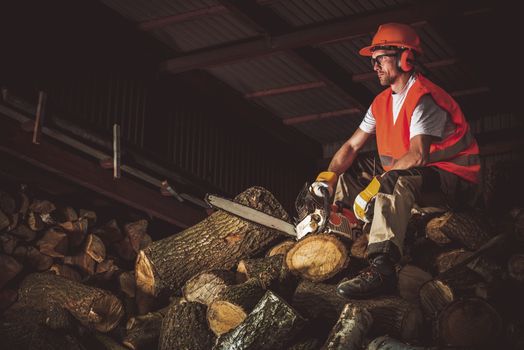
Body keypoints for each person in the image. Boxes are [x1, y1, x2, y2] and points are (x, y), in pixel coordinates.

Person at [312, 23, 480, 299]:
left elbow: (418, 155)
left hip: (454, 183)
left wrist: (374, 188)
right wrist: (327, 178)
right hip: (415, 176)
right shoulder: (381, 102)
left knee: (393, 180)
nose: (374, 66)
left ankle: (382, 267)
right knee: (352, 169)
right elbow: (352, 146)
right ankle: (342, 226)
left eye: (380, 58)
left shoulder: (423, 98)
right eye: (373, 60)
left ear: (406, 58)